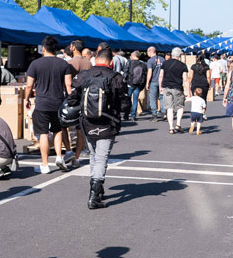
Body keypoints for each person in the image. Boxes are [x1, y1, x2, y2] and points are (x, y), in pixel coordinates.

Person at [65, 46, 126, 209]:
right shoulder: (116, 77)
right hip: (108, 122)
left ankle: (97, 190)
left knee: (93, 155)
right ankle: (94, 195)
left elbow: (72, 99)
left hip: (86, 122)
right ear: (111, 62)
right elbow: (125, 104)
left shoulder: (84, 76)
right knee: (101, 158)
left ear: (95, 59)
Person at [25, 36, 73, 173]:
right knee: (57, 130)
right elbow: (68, 86)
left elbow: (29, 85)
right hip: (58, 102)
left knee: (43, 133)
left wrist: (27, 99)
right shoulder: (64, 64)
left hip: (42, 103)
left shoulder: (35, 64)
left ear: (43, 49)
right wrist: (70, 101)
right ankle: (59, 156)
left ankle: (45, 165)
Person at [159, 47, 190, 133]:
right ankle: (178, 124)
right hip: (177, 87)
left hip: (166, 87)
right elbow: (186, 79)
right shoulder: (183, 65)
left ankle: (171, 127)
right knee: (180, 106)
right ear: (179, 55)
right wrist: (188, 91)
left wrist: (160, 87)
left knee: (169, 108)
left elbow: (161, 76)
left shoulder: (165, 63)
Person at [124, 51, 147, 121]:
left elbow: (125, 73)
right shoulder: (143, 64)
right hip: (138, 84)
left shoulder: (129, 62)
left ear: (134, 56)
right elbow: (145, 75)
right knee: (135, 100)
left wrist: (124, 81)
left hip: (130, 83)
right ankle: (133, 116)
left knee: (127, 99)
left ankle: (126, 115)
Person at [189, 53, 211, 117]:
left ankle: (195, 112)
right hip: (204, 84)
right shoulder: (206, 66)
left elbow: (190, 77)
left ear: (196, 58)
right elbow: (208, 77)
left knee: (195, 99)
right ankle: (203, 113)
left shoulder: (193, 66)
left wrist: (189, 84)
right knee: (203, 99)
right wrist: (209, 85)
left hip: (195, 84)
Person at [145, 47, 164, 121]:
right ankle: (164, 112)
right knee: (161, 97)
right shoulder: (162, 59)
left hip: (153, 81)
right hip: (162, 81)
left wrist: (147, 82)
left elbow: (150, 72)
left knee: (153, 98)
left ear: (150, 52)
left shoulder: (150, 61)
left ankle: (154, 115)